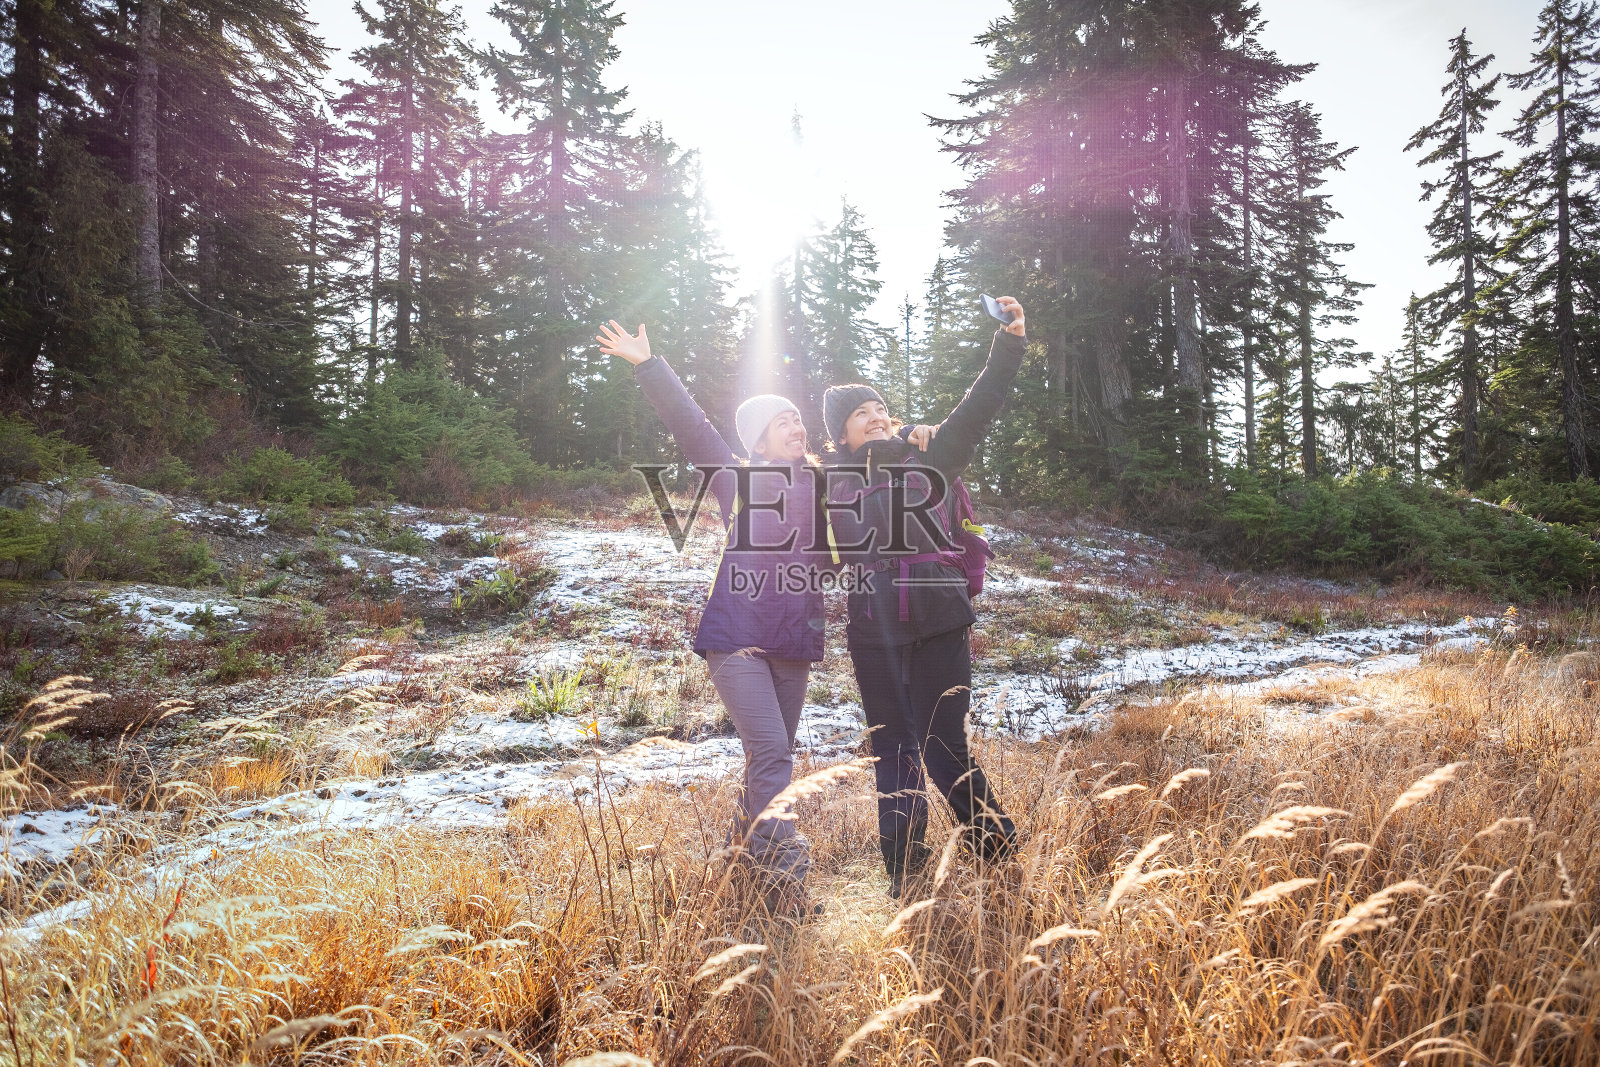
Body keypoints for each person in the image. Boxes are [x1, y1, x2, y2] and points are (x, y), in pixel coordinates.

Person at [594, 320, 935, 913]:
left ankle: (737, 862)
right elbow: (693, 428)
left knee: (766, 759)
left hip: (794, 647)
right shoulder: (737, 480)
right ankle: (787, 883)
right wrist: (649, 365)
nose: (797, 427)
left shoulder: (830, 487)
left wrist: (915, 435)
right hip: (738, 644)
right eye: (783, 422)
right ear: (757, 441)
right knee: (776, 756)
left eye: (798, 420)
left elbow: (877, 477)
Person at [821, 295, 1027, 898]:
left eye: (882, 407)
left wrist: (1009, 342)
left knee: (941, 745)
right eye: (863, 413)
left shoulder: (931, 457)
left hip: (938, 620)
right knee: (892, 749)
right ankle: (906, 878)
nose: (878, 416)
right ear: (841, 433)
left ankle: (999, 852)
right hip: (873, 630)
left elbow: (978, 408)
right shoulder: (830, 479)